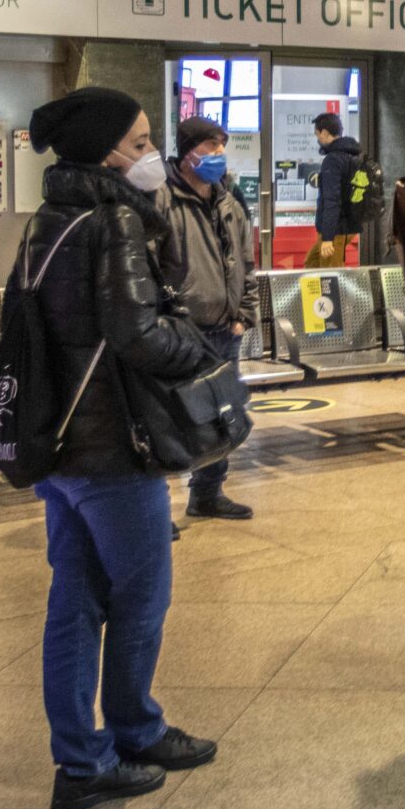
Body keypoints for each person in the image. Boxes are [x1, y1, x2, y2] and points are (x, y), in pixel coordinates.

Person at [22, 87, 220, 809]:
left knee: (74, 601)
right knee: (142, 595)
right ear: (104, 151)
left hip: (62, 444)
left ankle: (80, 762)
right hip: (113, 445)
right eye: (139, 143)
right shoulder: (112, 222)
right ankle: (135, 729)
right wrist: (197, 347)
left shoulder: (51, 217)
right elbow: (136, 333)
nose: (151, 157)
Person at [154, 116, 258, 523]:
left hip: (224, 330)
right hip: (181, 334)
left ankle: (208, 494)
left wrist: (244, 314)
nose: (218, 154)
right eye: (210, 145)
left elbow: (246, 264)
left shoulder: (228, 202)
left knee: (220, 417)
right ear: (187, 151)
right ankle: (157, 511)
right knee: (166, 419)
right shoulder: (162, 200)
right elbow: (150, 266)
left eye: (221, 145)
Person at [305, 111, 361, 268]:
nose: (318, 139)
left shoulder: (333, 160)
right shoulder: (351, 156)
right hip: (345, 225)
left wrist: (328, 237)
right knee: (311, 263)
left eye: (317, 134)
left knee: (330, 276)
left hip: (335, 229)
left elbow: (332, 200)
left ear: (324, 132)